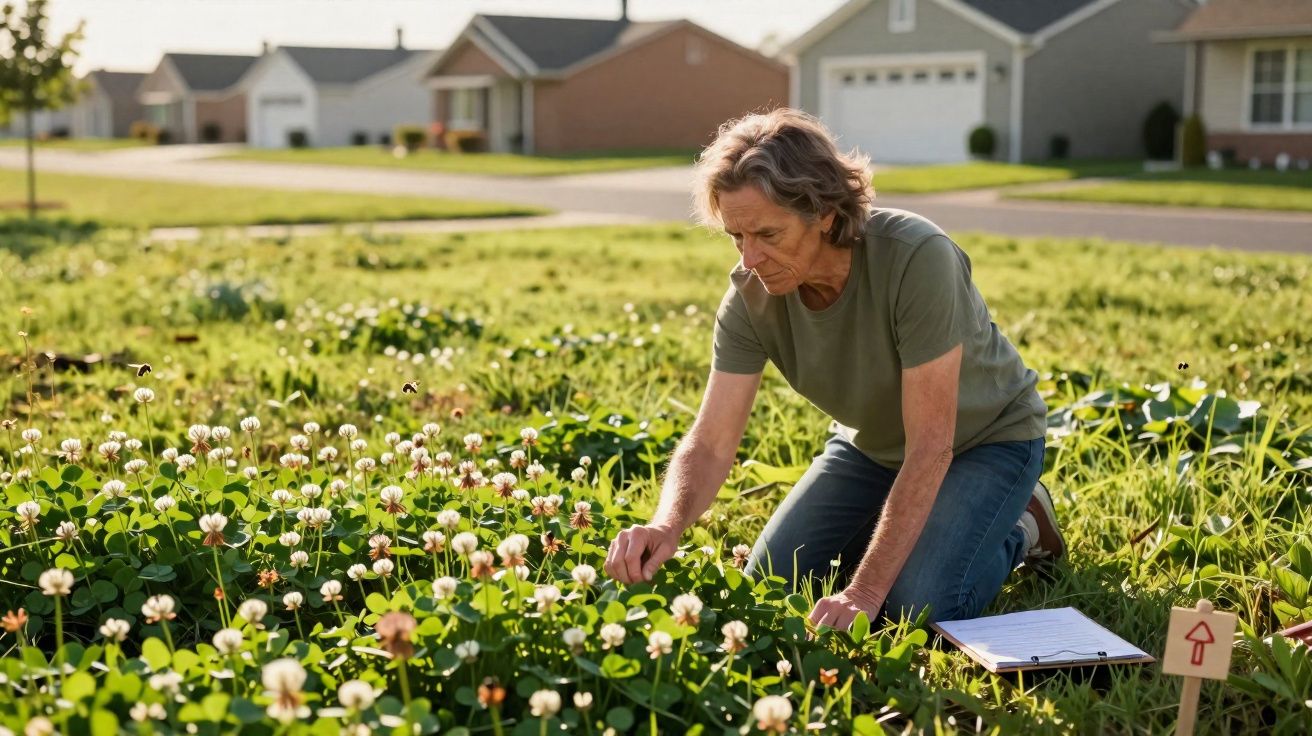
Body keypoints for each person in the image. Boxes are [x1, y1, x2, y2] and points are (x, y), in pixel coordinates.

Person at [602, 108, 1064, 629]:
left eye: (768, 235)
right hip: (870, 448)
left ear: (823, 212)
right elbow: (710, 442)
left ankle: (1023, 525)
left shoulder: (916, 256)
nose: (749, 258)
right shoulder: (750, 300)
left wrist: (865, 590)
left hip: (985, 442)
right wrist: (665, 526)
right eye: (736, 237)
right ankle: (901, 527)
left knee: (918, 607)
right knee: (772, 579)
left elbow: (932, 445)